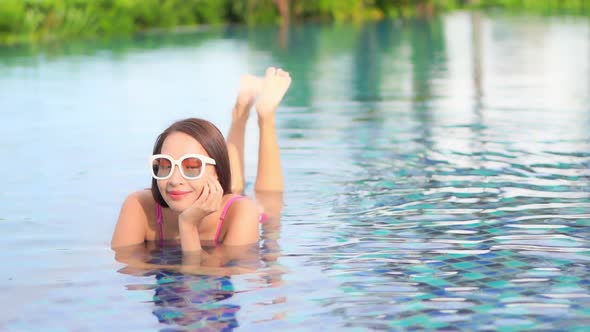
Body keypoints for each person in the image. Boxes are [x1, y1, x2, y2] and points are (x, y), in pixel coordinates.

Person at [111, 67, 291, 253]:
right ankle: (240, 111)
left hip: (239, 210)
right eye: (165, 165)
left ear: (217, 173)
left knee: (270, 204)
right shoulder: (138, 206)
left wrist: (188, 227)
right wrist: (188, 224)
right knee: (232, 188)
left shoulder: (242, 212)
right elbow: (126, 272)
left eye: (191, 166)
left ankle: (266, 116)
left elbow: (198, 279)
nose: (174, 179)